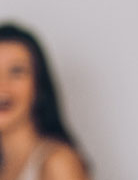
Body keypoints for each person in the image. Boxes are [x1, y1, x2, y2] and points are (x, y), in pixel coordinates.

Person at [0, 24, 89, 180]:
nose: (2, 86)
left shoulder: (58, 162)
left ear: (38, 84)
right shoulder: (6, 167)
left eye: (16, 71)